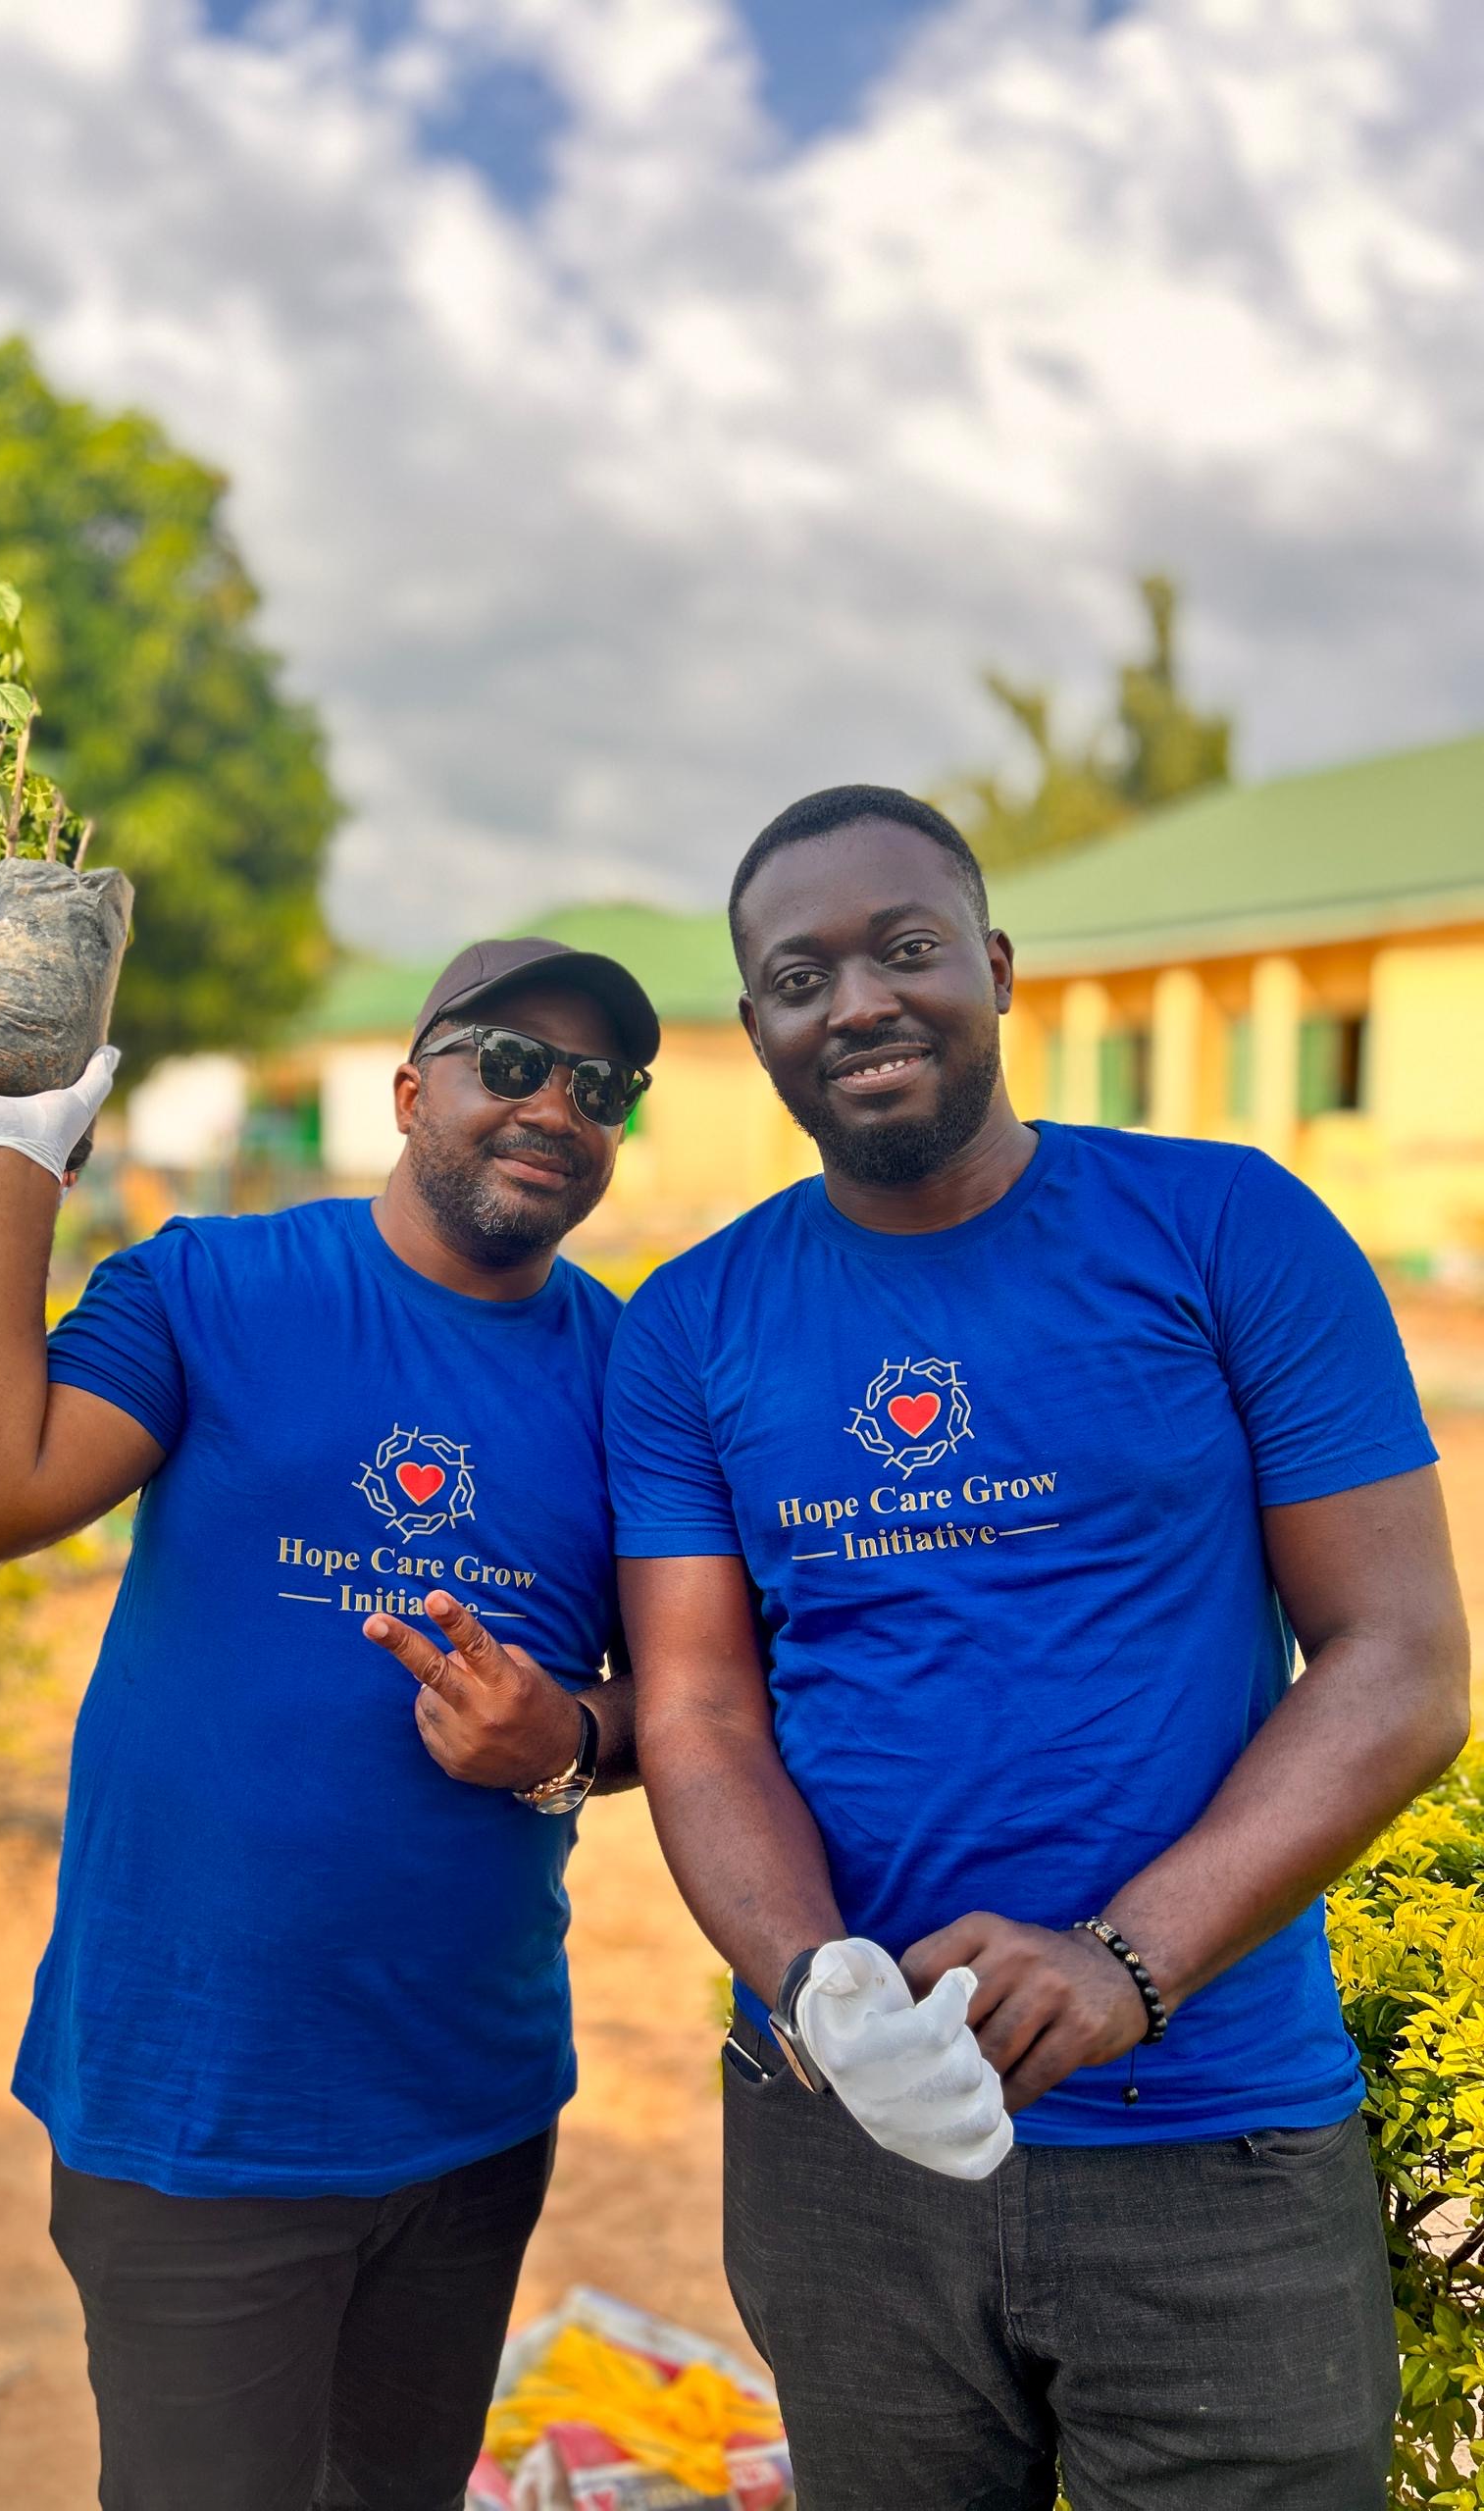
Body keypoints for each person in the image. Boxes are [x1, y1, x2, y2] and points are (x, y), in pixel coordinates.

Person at [603, 785, 1471, 2511]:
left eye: (905, 949)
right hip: (847, 2155)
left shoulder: (1229, 1231)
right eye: (797, 976)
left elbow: (1399, 1660)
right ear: (758, 1026)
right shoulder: (690, 1323)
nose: (856, 1001)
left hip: (1209, 2136)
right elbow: (698, 1709)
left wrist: (1119, 1965)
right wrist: (815, 1987)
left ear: (995, 969)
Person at [0, 934, 660, 2511]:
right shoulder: (213, 1286)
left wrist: (571, 1737)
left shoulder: (633, 1378)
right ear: (408, 1090)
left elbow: (699, 1697)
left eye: (600, 1088)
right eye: (510, 1063)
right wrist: (9, 1157)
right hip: (196, 2101)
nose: (554, 1109)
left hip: (470, 2101)